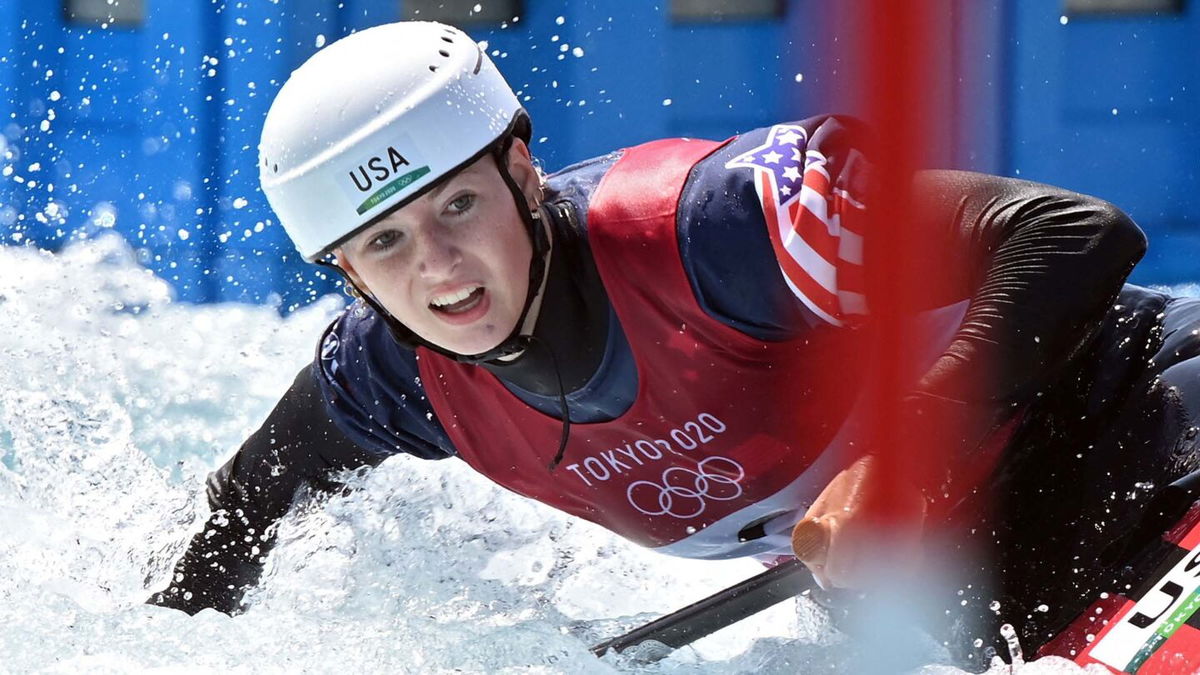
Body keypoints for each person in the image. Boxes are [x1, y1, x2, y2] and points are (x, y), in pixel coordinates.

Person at [146, 20, 1200, 666]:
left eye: (459, 206)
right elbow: (241, 514)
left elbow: (1073, 234)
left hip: (1147, 429)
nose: (438, 269)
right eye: (385, 244)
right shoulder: (390, 379)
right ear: (346, 271)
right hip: (997, 577)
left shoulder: (725, 230)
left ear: (520, 170)